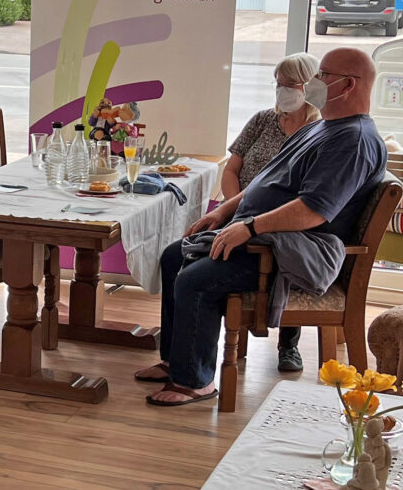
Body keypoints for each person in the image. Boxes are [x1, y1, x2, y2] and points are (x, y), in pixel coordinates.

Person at [136, 47, 386, 406]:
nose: (314, 82)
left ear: (347, 85)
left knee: (195, 280)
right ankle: (177, 361)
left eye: (323, 75)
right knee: (174, 256)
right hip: (257, 233)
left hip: (281, 249)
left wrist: (249, 228)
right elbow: (264, 182)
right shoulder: (322, 128)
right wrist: (223, 213)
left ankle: (195, 382)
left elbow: (313, 211)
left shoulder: (354, 140)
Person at [222, 52, 321, 373]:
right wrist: (234, 206)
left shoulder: (318, 131)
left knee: (286, 252)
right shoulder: (263, 120)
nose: (282, 92)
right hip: (241, 211)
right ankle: (228, 329)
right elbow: (231, 168)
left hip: (284, 219)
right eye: (278, 84)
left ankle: (288, 344)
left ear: (310, 87)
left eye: (290, 85)